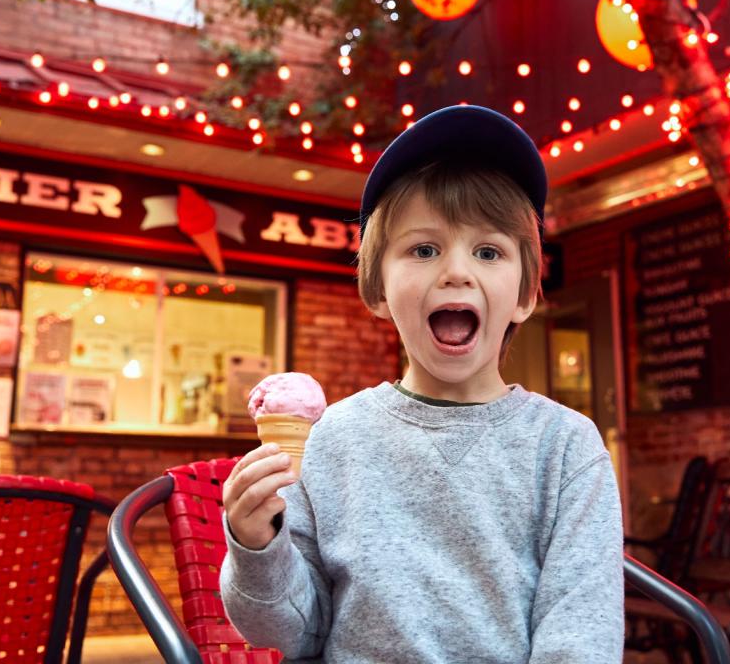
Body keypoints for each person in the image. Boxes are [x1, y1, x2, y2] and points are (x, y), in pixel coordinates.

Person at [220, 105, 624, 662]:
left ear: (526, 295)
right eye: (424, 248)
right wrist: (257, 547)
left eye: (488, 251)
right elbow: (290, 634)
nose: (456, 271)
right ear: (379, 290)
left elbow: (580, 635)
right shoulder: (333, 439)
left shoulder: (566, 448)